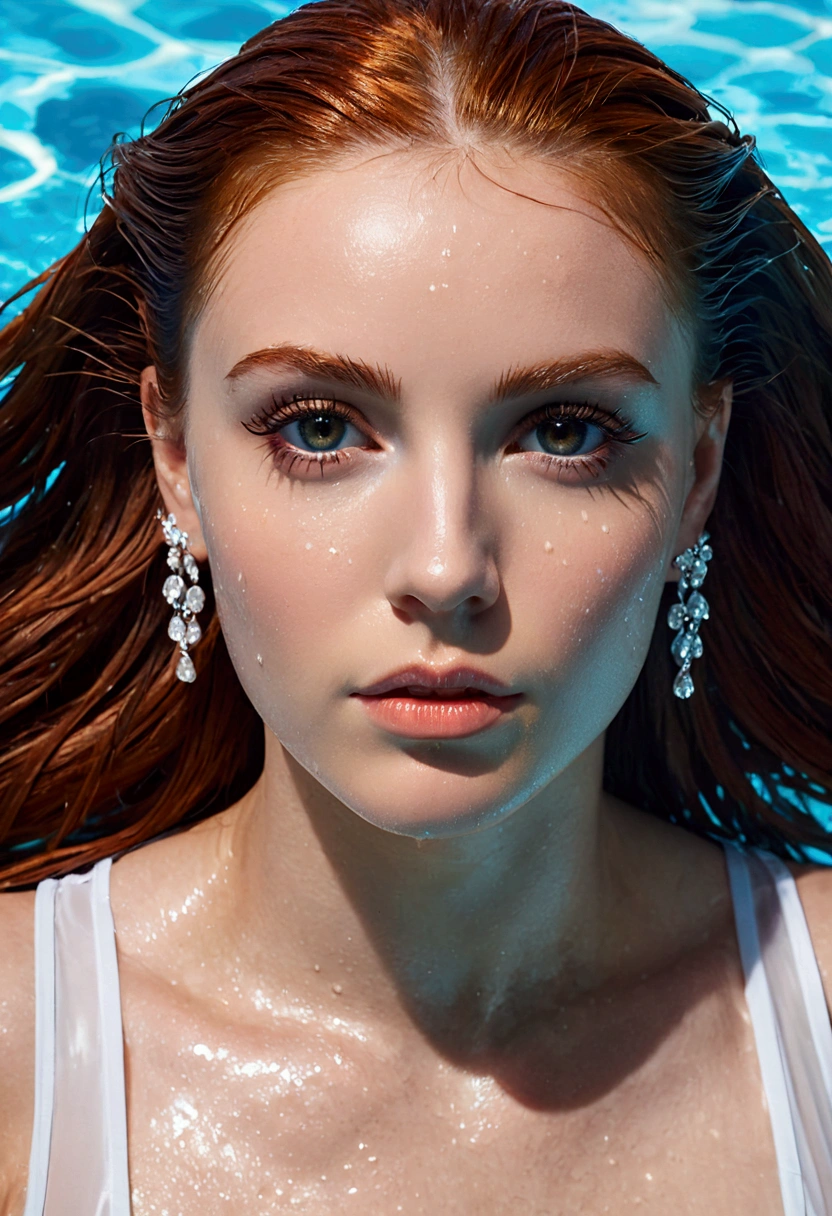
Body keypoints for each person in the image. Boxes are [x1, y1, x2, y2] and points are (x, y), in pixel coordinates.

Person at [0, 0, 830, 1210]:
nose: (446, 569)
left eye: (563, 432)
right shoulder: (21, 1058)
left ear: (696, 470)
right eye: (321, 428)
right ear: (174, 457)